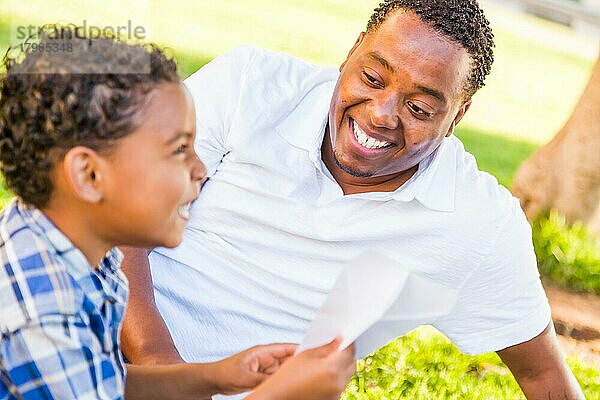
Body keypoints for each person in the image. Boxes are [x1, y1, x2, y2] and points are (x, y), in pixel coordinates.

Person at [121, 0, 585, 398]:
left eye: (420, 108)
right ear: (352, 51)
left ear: (458, 115)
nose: (382, 114)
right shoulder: (251, 86)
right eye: (373, 77)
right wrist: (159, 362)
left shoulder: (477, 222)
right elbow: (122, 208)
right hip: (104, 341)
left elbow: (540, 370)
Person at [0, 26, 355, 400]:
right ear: (89, 175)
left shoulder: (83, 253)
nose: (201, 169)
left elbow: (108, 381)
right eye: (179, 149)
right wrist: (282, 394)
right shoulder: (39, 309)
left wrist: (217, 377)